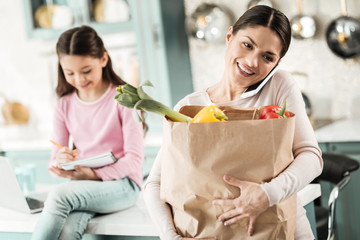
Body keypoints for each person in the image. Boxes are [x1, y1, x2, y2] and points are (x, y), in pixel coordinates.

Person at [143, 5, 322, 240]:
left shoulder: (279, 86)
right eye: (247, 45)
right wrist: (171, 237)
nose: (252, 62)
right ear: (229, 37)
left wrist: (267, 194)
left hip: (282, 229)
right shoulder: (189, 107)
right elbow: (155, 184)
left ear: (276, 63)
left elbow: (311, 156)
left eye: (267, 57)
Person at [31, 26, 144, 240]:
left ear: (103, 59)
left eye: (86, 71)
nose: (79, 80)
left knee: (58, 195)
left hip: (124, 184)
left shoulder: (125, 99)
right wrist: (61, 161)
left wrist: (94, 175)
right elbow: (54, 161)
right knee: (67, 228)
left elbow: (135, 160)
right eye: (70, 73)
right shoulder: (64, 105)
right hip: (84, 185)